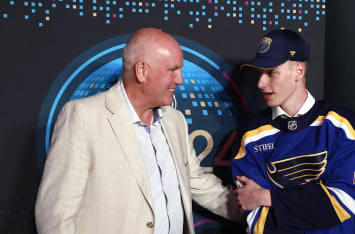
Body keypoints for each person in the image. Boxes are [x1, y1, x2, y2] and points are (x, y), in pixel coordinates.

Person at [35, 28, 240, 234]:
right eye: (172, 70)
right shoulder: (83, 116)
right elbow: (55, 215)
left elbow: (199, 183)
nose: (180, 80)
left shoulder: (175, 121)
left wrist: (260, 211)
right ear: (142, 70)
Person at [231, 29, 355, 233]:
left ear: (299, 71)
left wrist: (267, 197)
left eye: (271, 72)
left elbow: (343, 201)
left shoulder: (340, 124)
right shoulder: (250, 135)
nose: (260, 83)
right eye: (260, 73)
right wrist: (314, 201)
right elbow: (258, 222)